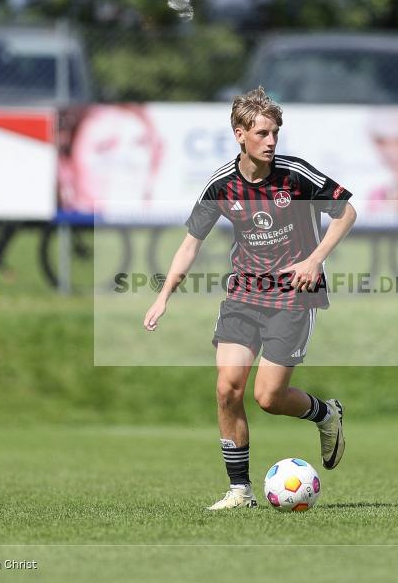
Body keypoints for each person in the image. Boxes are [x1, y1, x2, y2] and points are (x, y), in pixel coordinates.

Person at [143, 86, 357, 510]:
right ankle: (240, 490)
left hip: (293, 295)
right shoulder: (221, 184)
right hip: (243, 294)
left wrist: (314, 260)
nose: (271, 141)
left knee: (269, 398)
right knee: (227, 389)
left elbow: (346, 211)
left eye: (275, 132)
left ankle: (324, 414)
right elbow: (191, 243)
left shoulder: (295, 175)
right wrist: (163, 295)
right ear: (240, 134)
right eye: (262, 133)